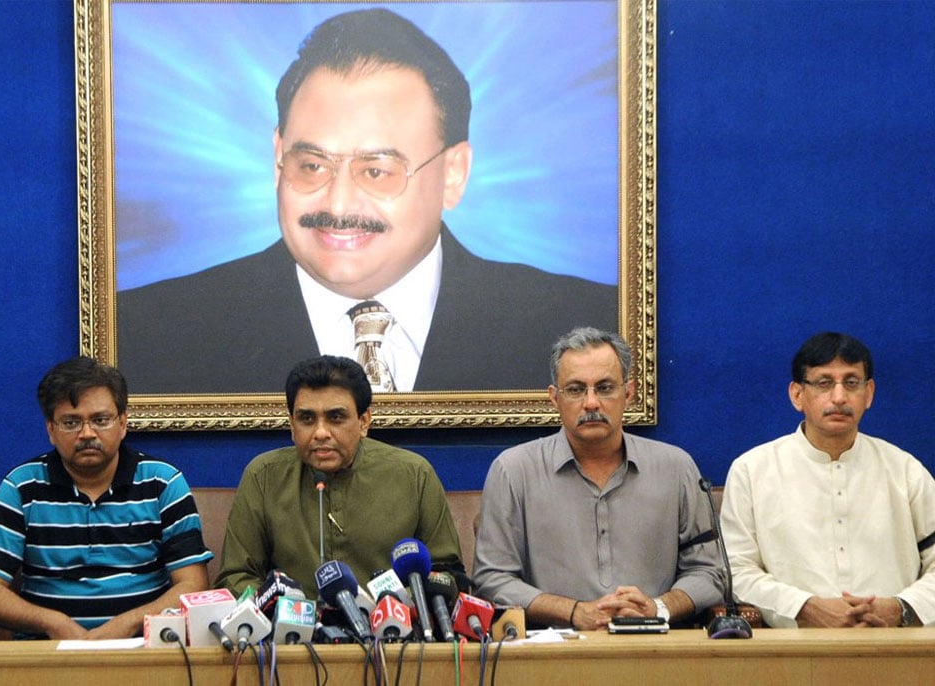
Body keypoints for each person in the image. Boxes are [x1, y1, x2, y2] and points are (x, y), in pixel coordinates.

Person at [116, 8, 615, 394]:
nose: (338, 202)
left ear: (453, 174)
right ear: (277, 157)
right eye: (311, 166)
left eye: (376, 170)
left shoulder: (579, 325)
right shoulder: (148, 332)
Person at [473, 327, 722, 629]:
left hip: (657, 648)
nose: (591, 403)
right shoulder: (513, 471)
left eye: (605, 388)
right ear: (554, 398)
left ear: (628, 393)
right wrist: (574, 611)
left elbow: (710, 573)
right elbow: (491, 580)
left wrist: (657, 607)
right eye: (576, 389)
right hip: (553, 654)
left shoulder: (676, 467)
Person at [0, 356, 211, 639]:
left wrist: (127, 625)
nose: (87, 433)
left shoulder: (162, 482)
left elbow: (193, 584)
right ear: (51, 431)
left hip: (141, 647)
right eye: (71, 423)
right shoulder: (23, 486)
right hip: (48, 651)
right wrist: (53, 623)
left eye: (100, 420)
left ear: (122, 423)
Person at [721, 332, 935, 628]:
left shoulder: (904, 469)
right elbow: (736, 570)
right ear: (797, 395)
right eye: (824, 383)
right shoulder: (753, 470)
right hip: (794, 650)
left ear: (869, 393)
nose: (839, 397)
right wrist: (804, 607)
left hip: (894, 644)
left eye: (851, 383)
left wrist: (901, 608)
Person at [215, 355, 464, 598]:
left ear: (364, 421)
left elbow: (447, 575)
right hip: (291, 632)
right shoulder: (263, 477)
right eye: (307, 419)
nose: (321, 432)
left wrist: (403, 604)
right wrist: (281, 607)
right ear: (292, 425)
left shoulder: (414, 475)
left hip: (394, 632)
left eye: (336, 417)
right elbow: (236, 577)